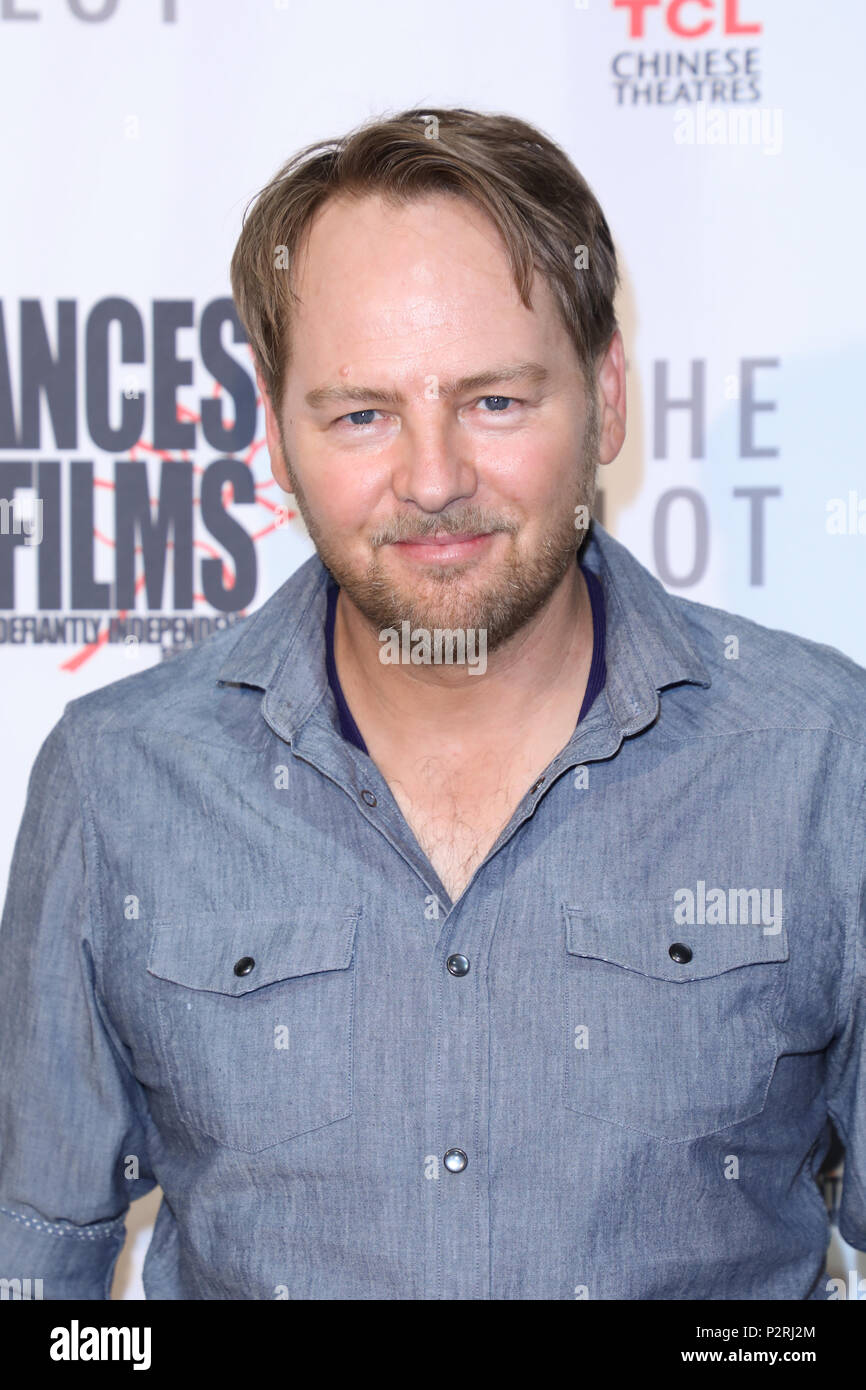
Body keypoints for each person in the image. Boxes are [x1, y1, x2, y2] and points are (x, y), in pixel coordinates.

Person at [0, 106, 863, 1301]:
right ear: (275, 434)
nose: (433, 479)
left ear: (606, 396)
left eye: (494, 401)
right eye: (361, 413)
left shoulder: (824, 762)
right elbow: (34, 1273)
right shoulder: (119, 779)